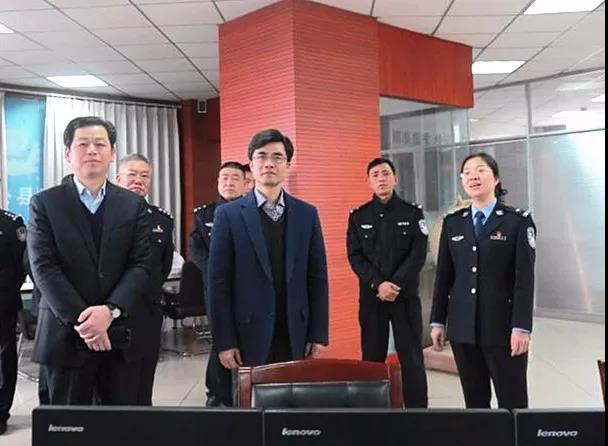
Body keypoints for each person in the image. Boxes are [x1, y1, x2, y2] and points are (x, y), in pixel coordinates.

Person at [27, 116, 151, 405]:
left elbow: (141, 264)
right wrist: (87, 322)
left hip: (118, 335)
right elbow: (44, 267)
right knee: (68, 423)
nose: (92, 150)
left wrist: (109, 311)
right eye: (83, 144)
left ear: (112, 153)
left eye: (100, 144)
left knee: (121, 423)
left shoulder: (132, 204)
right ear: (68, 154)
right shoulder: (45, 203)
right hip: (65, 336)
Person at [208, 129, 329, 371]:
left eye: (277, 157)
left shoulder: (306, 214)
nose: (269, 164)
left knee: (292, 392)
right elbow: (218, 283)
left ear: (287, 165)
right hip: (246, 332)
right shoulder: (228, 215)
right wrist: (225, 341)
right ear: (251, 165)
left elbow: (317, 276)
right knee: (250, 394)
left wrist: (318, 333)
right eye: (262, 156)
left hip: (295, 330)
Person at [430, 152, 536, 410]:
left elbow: (524, 280)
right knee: (475, 403)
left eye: (480, 170)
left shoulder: (517, 222)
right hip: (463, 327)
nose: (473, 176)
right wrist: (437, 321)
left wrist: (521, 327)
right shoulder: (453, 223)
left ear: (496, 178)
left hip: (502, 327)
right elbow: (444, 276)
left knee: (512, 401)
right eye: (466, 172)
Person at [347, 158, 429, 408]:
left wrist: (395, 284)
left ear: (395, 178)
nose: (381, 178)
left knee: (411, 358)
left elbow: (418, 254)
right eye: (375, 175)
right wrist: (378, 284)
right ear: (368, 182)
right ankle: (372, 412)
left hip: (405, 298)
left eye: (385, 173)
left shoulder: (412, 213)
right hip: (373, 298)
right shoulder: (358, 216)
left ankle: (418, 414)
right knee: (372, 358)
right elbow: (355, 256)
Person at [115, 153, 174, 405]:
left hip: (148, 311)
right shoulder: (105, 215)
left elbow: (164, 266)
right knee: (114, 385)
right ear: (118, 178)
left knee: (144, 379)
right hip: (113, 314)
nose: (138, 180)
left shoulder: (162, 219)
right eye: (132, 174)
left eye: (145, 175)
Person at [189, 161, 247, 407]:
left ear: (246, 183)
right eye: (224, 178)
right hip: (217, 289)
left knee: (248, 339)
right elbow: (197, 250)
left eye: (235, 178)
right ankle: (217, 393)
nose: (229, 182)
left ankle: (246, 390)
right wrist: (217, 273)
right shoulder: (205, 214)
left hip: (248, 289)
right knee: (221, 340)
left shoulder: (254, 211)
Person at [0, 209, 26, 434]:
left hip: (2, 302)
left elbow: (21, 265)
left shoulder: (10, 223)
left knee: (3, 358)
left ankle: (0, 412)